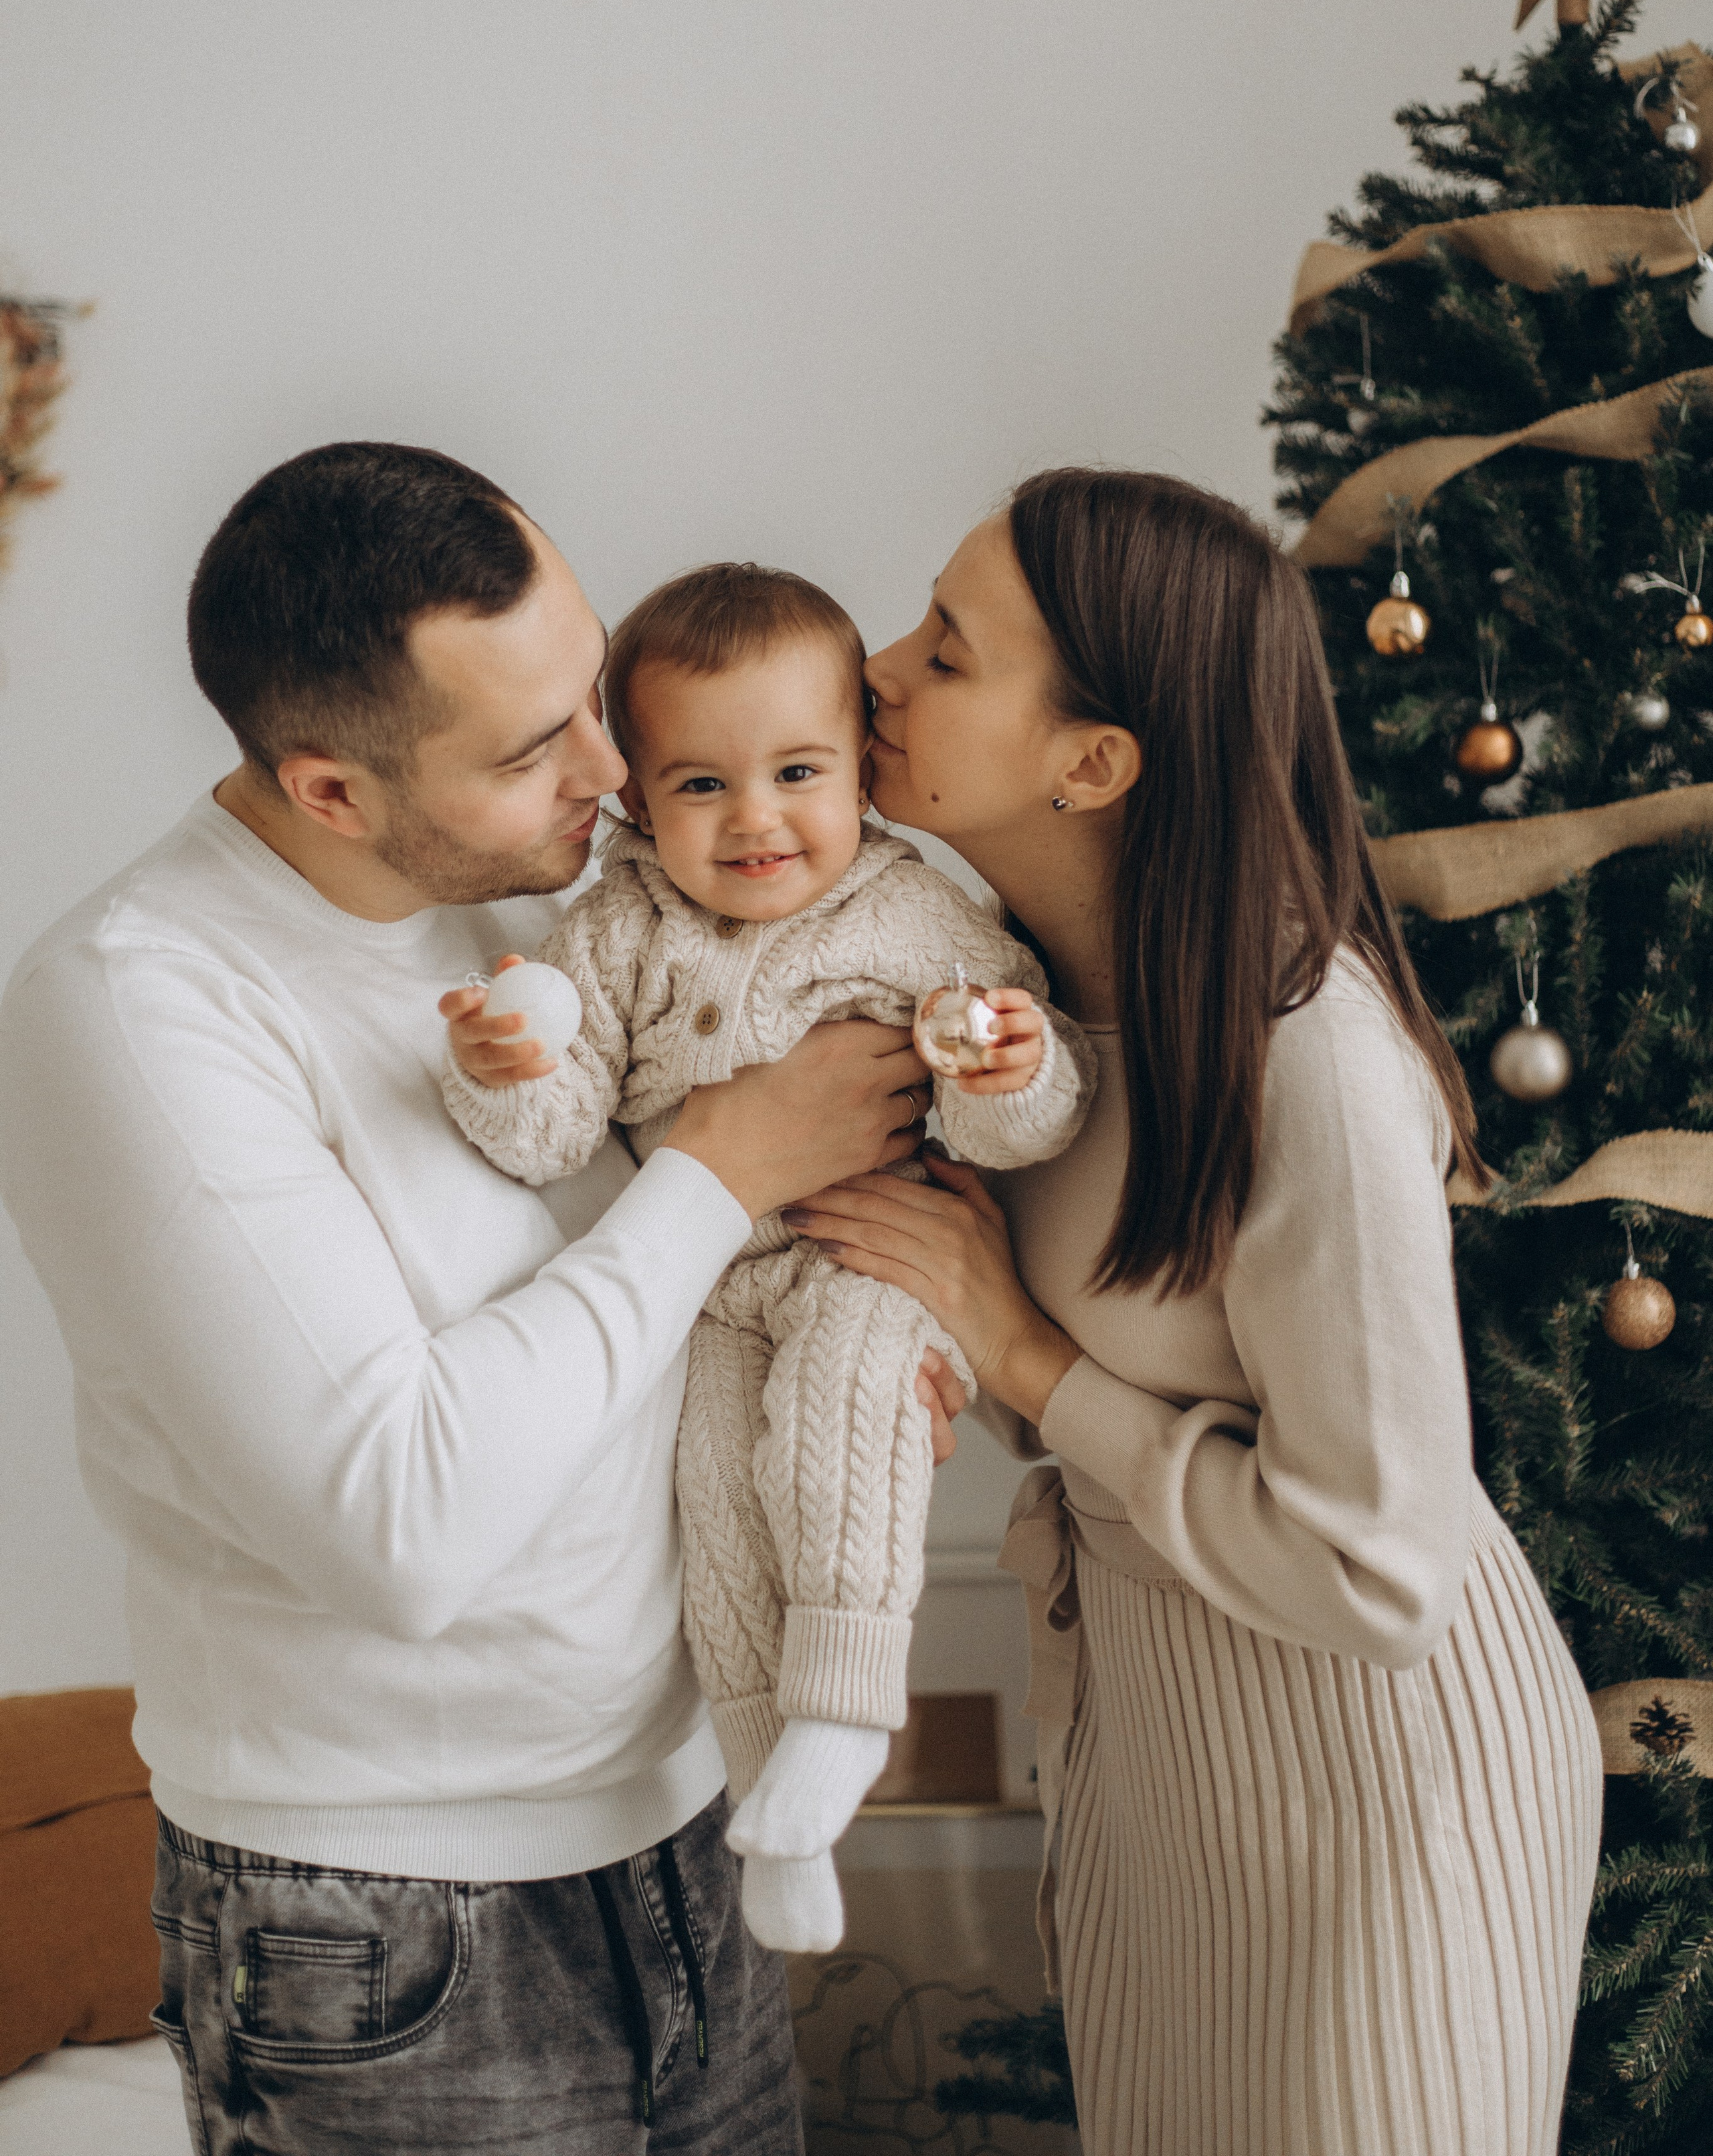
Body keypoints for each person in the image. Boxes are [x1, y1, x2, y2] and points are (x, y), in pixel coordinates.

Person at [0, 440, 965, 2156]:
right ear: (331, 792)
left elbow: (647, 1329)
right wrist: (724, 1169)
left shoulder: (551, 904)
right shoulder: (136, 1012)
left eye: (591, 694)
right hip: (387, 1928)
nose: (614, 767)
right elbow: (401, 1524)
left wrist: (865, 1328)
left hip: (683, 1838)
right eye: (533, 751)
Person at [782, 466, 1603, 2156]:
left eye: (948, 650)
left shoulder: (1303, 1051)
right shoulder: (1003, 1006)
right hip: (1166, 1757)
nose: (876, 666)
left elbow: (1377, 1567)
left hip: (1384, 1784)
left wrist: (1016, 1351)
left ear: (1091, 763)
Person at [438, 559, 1094, 1955]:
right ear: (632, 798)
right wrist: (507, 1064)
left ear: (861, 766)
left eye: (797, 770)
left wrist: (1003, 1066)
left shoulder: (915, 914)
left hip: (876, 1256)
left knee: (828, 1427)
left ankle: (847, 1718)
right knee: (719, 1508)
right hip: (707, 1290)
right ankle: (768, 1801)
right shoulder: (611, 933)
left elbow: (1024, 1128)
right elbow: (554, 1137)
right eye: (699, 786)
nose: (755, 821)